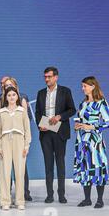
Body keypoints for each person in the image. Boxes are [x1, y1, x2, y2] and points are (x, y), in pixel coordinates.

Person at [35, 66, 76, 204]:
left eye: (49, 76)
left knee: (60, 163)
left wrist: (59, 116)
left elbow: (72, 110)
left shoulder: (65, 91)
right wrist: (40, 124)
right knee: (48, 164)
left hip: (60, 132)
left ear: (56, 77)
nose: (47, 79)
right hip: (45, 133)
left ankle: (62, 194)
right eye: (45, 77)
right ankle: (49, 195)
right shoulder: (40, 93)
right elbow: (37, 113)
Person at [73, 76, 109, 209]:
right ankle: (87, 199)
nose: (82, 88)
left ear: (93, 86)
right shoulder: (82, 104)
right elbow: (79, 119)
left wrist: (92, 127)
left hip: (95, 142)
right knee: (85, 167)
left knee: (97, 167)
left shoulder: (101, 103)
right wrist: (78, 125)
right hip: (82, 141)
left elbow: (108, 123)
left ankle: (100, 200)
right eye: (82, 86)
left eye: (85, 86)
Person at [0, 77, 32, 202]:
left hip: (19, 141)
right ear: (5, 96)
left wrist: (26, 146)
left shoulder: (22, 110)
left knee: (20, 172)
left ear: (17, 96)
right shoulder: (1, 111)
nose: (11, 97)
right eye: (9, 95)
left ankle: (20, 200)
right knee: (5, 172)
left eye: (13, 94)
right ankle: (5, 200)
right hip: (5, 140)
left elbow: (27, 129)